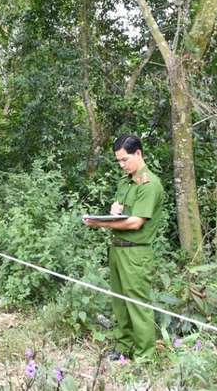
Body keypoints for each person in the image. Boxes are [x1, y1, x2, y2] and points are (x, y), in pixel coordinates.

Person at [82, 134, 164, 359]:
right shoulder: (125, 182)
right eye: (118, 161)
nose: (121, 165)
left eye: (124, 160)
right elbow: (121, 214)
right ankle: (123, 348)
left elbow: (136, 222)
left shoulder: (149, 184)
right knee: (119, 303)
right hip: (117, 248)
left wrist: (98, 223)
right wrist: (112, 212)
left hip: (136, 252)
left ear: (138, 153)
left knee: (137, 305)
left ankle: (145, 355)